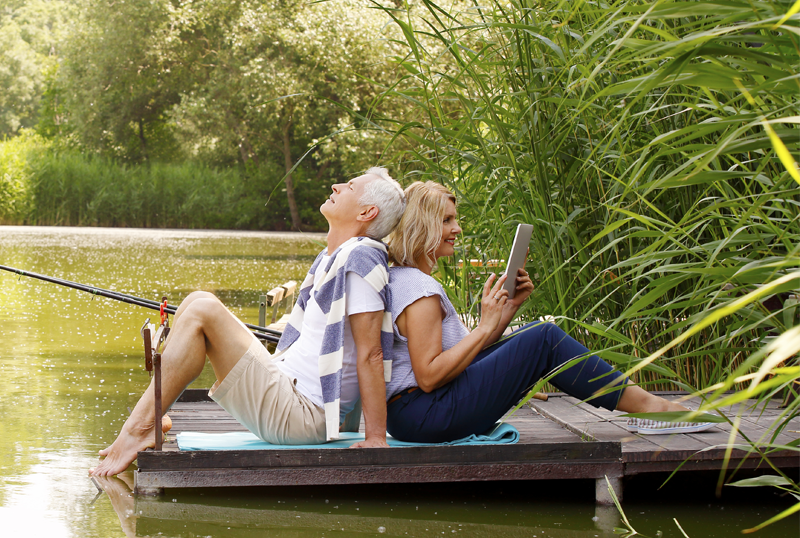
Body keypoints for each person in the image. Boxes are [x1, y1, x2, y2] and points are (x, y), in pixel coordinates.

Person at [90, 167, 406, 476]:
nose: (337, 186)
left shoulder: (363, 257)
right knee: (197, 300)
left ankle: (139, 428)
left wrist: (375, 437)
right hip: (291, 392)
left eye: (349, 186)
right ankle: (153, 419)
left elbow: (371, 351)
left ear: (367, 212)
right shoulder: (338, 255)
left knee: (204, 311)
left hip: (304, 415)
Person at [383, 181, 713, 443]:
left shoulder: (410, 280)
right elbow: (428, 377)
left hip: (420, 413)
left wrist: (505, 313)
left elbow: (458, 359)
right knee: (545, 339)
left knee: (533, 336)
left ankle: (648, 407)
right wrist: (484, 327)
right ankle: (650, 409)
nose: (457, 229)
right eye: (446, 220)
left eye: (455, 219)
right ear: (422, 225)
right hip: (426, 413)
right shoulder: (419, 290)